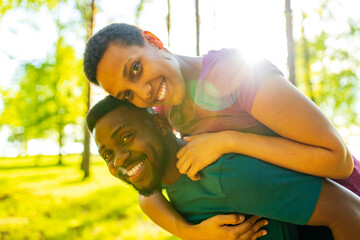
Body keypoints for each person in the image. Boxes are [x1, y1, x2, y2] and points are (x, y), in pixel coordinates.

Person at [83, 23, 360, 238]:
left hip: (346, 208)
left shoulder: (236, 73)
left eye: (135, 69)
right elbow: (148, 193)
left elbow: (339, 160)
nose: (144, 93)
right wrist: (192, 234)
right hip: (298, 218)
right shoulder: (166, 108)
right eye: (128, 95)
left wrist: (229, 141)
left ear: (154, 41)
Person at [86, 95, 360, 240]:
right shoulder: (167, 187)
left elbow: (349, 211)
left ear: (160, 125)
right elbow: (145, 198)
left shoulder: (223, 173)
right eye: (106, 154)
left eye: (126, 137)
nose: (117, 159)